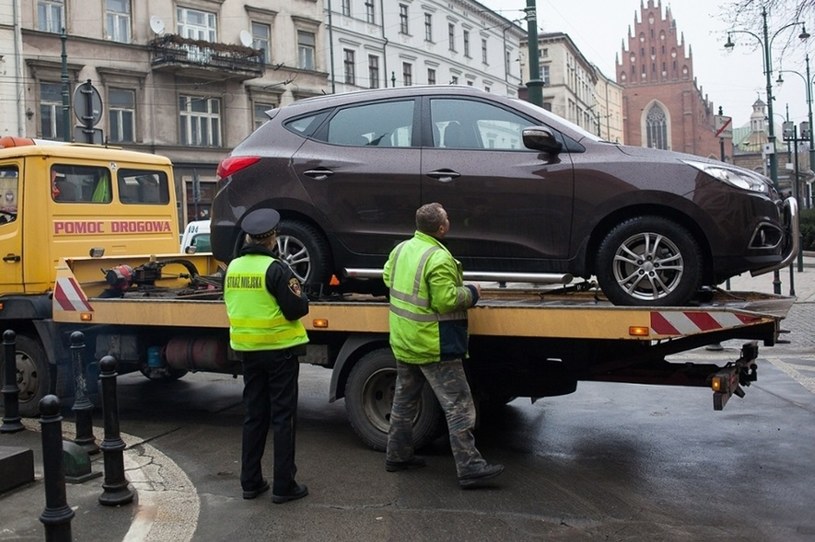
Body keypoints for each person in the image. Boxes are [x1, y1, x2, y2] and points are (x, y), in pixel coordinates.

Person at [383, 202, 504, 489]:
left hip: (404, 339)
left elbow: (388, 277)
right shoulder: (437, 259)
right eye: (447, 218)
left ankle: (397, 456)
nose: (449, 220)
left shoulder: (401, 249)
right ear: (441, 227)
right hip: (432, 343)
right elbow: (446, 301)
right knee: (459, 405)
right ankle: (470, 467)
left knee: (403, 401)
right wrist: (472, 292)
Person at [224, 208, 310, 504]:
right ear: (272, 239)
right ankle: (284, 485)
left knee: (254, 415)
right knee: (283, 418)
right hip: (279, 352)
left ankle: (250, 482)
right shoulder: (276, 269)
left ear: (249, 238)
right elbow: (297, 308)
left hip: (248, 352)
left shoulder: (233, 268)